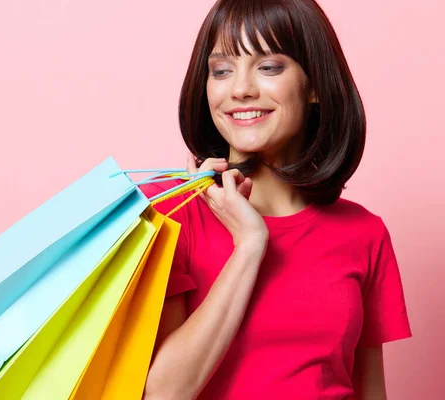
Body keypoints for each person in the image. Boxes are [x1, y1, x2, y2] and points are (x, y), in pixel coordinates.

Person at [139, 0, 412, 399]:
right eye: (221, 70)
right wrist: (250, 246)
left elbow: (372, 391)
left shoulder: (363, 232)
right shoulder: (167, 213)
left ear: (315, 84)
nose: (241, 89)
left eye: (268, 67)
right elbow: (164, 393)